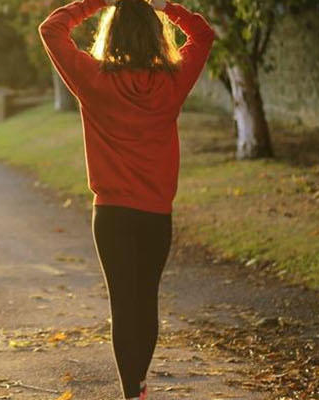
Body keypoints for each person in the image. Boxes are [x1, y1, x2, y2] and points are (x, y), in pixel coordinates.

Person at [39, 0, 215, 398]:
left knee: (123, 304)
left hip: (112, 215)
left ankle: (131, 394)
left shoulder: (94, 79)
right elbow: (203, 36)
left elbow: (51, 29)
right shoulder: (171, 81)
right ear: (156, 35)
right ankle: (139, 385)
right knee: (145, 300)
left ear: (111, 33)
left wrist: (99, 1)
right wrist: (166, 5)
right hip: (155, 215)